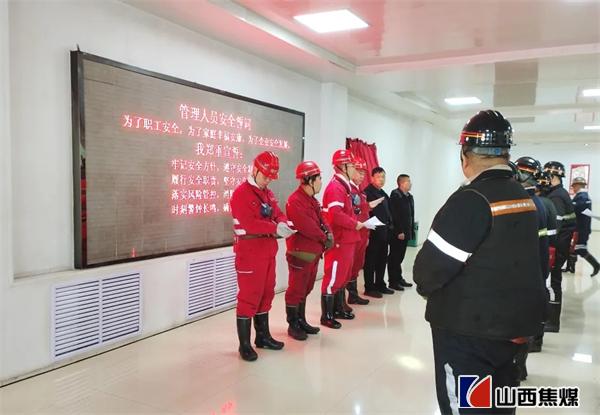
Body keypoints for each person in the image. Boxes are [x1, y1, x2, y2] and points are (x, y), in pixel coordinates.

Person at [413, 110, 545, 414]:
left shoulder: (472, 199)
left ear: (465, 155)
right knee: (499, 405)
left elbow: (429, 270)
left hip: (468, 334)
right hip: (514, 330)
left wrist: (426, 288)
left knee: (467, 405)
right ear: (505, 153)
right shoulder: (524, 198)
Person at [230, 151, 296, 361]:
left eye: (271, 177)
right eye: (266, 176)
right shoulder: (241, 193)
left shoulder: (267, 193)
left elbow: (278, 212)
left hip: (267, 251)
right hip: (250, 253)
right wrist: (275, 227)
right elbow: (249, 223)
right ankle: (244, 345)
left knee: (266, 293)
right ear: (255, 170)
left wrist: (283, 222)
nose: (268, 180)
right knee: (249, 296)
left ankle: (262, 337)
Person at [321, 150, 372, 328]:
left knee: (342, 276)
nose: (354, 170)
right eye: (351, 166)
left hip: (348, 239)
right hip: (340, 240)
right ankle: (327, 315)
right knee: (333, 277)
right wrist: (354, 224)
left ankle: (337, 308)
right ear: (343, 167)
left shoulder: (344, 187)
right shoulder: (336, 187)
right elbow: (335, 214)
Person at [284, 161, 333, 341]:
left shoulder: (312, 200)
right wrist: (325, 237)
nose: (321, 182)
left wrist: (328, 232)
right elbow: (308, 227)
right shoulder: (295, 201)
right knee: (296, 289)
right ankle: (293, 324)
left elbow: (322, 219)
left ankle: (301, 320)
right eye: (319, 178)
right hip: (300, 253)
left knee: (306, 287)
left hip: (313, 252)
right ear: (309, 180)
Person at [512, 156, 550, 380]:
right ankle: (520, 367)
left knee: (517, 325)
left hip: (523, 274)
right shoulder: (537, 203)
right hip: (534, 273)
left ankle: (516, 369)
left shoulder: (525, 205)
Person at [543, 161, 577, 332]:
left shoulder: (556, 197)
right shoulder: (560, 193)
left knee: (553, 282)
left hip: (557, 246)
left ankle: (553, 321)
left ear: (552, 177)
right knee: (554, 281)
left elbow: (554, 227)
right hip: (561, 245)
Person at [364, 167, 395, 296]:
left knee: (382, 260)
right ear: (372, 178)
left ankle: (380, 284)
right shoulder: (367, 192)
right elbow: (365, 213)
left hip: (384, 232)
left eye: (383, 177)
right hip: (374, 232)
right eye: (378, 177)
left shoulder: (383, 193)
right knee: (371, 261)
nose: (381, 179)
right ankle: (369, 288)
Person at [346, 156, 372, 305]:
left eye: (364, 173)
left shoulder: (360, 191)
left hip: (362, 232)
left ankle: (353, 294)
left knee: (357, 264)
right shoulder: (348, 190)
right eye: (359, 172)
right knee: (349, 265)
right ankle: (346, 297)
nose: (362, 176)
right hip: (353, 232)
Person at [388, 174, 415, 290]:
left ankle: (399, 278)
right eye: (408, 181)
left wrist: (410, 231)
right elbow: (394, 215)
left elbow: (410, 215)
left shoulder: (409, 196)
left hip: (406, 232)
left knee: (400, 257)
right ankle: (393, 281)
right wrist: (399, 231)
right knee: (394, 257)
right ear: (402, 183)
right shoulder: (396, 196)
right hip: (398, 233)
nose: (410, 183)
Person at [571, 177, 599, 277]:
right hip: (581, 228)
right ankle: (571, 267)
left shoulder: (582, 197)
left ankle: (596, 265)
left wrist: (569, 204)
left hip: (581, 229)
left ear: (578, 185)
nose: (573, 188)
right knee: (573, 248)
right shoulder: (583, 196)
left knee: (580, 249)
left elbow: (575, 208)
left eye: (574, 186)